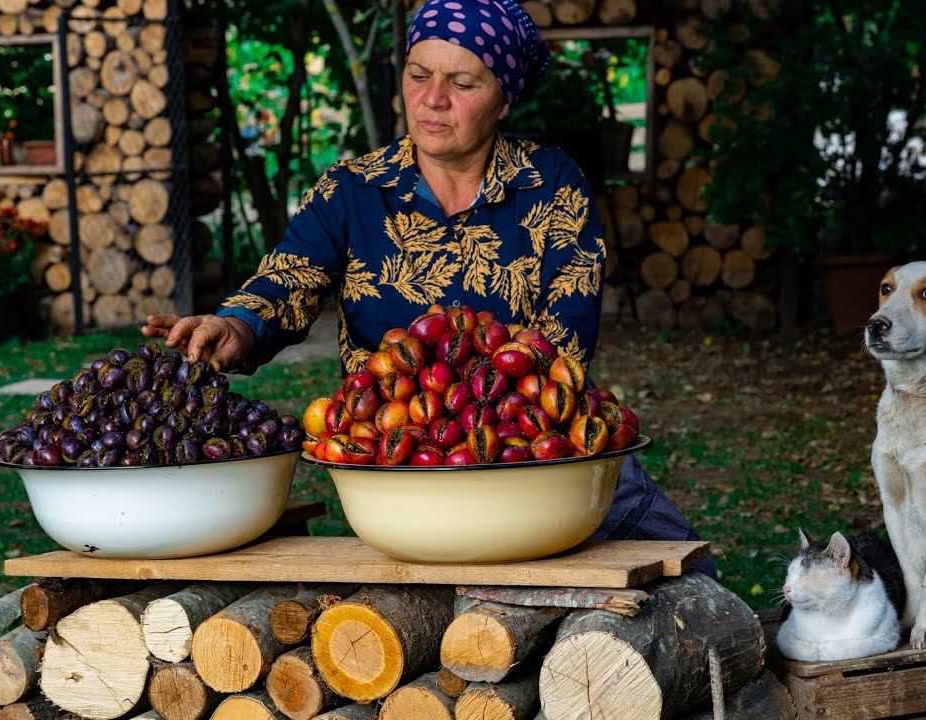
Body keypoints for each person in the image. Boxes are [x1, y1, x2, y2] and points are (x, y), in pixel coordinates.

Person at [143, 0, 716, 577]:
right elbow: (288, 278)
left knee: (692, 580)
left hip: (541, 462)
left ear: (504, 98)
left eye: (462, 81)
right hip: (400, 473)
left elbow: (564, 341)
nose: (433, 97)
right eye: (419, 75)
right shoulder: (352, 190)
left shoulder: (551, 182)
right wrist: (236, 325)